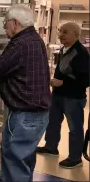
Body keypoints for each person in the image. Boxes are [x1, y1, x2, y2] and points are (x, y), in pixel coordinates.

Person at [0, 4, 51, 182]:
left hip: (25, 116)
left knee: (14, 164)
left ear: (15, 23)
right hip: (35, 114)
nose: (4, 27)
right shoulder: (32, 38)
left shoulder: (20, 43)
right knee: (23, 162)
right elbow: (4, 62)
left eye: (5, 23)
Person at [37, 22, 89, 169]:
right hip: (58, 95)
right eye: (60, 31)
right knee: (52, 121)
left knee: (75, 128)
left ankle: (75, 158)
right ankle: (51, 147)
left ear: (76, 34)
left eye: (65, 32)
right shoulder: (64, 49)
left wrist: (63, 83)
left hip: (73, 97)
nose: (60, 35)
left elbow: (85, 80)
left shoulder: (81, 54)